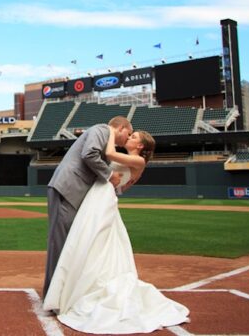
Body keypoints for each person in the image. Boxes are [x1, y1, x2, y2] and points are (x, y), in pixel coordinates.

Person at [43, 130, 190, 334]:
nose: (130, 137)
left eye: (134, 136)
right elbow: (121, 185)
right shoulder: (134, 160)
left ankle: (80, 288)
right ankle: (77, 286)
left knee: (93, 241)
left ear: (140, 146)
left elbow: (110, 154)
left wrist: (111, 131)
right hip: (98, 196)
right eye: (129, 134)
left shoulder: (137, 160)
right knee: (90, 242)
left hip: (102, 199)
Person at [43, 116, 133, 296]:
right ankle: (52, 295)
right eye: (128, 134)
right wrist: (109, 175)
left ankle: (63, 292)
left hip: (74, 192)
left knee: (70, 242)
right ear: (121, 127)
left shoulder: (108, 144)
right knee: (60, 242)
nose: (128, 139)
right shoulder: (101, 129)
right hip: (67, 188)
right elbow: (89, 153)